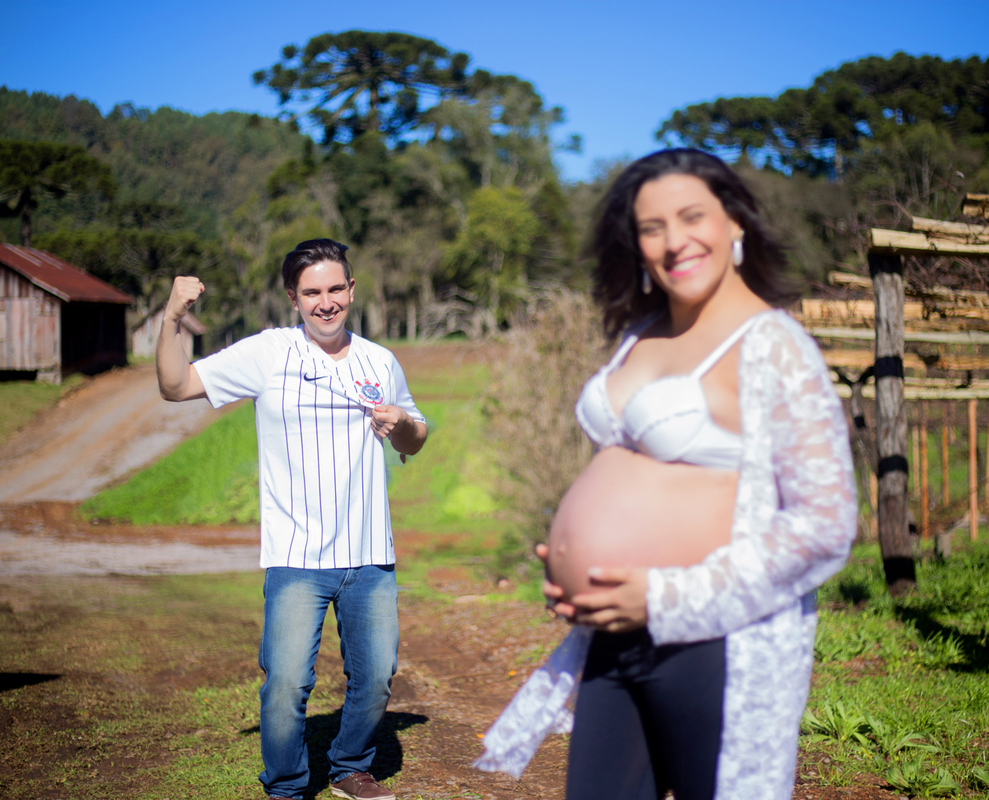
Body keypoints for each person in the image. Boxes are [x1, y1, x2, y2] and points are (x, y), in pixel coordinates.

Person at [475, 149, 857, 800]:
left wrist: (663, 595)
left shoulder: (773, 344)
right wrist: (574, 560)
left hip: (712, 643)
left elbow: (825, 524)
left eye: (691, 217)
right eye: (651, 227)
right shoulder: (638, 335)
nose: (673, 241)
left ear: (734, 221)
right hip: (612, 640)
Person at [157, 238, 427, 800]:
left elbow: (415, 437)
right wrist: (172, 317)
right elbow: (175, 385)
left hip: (370, 553)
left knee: (375, 681)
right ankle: (285, 787)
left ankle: (350, 765)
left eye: (335, 289)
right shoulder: (268, 353)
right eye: (312, 293)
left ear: (351, 290)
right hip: (296, 558)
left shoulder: (380, 360)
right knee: (285, 685)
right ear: (292, 298)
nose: (325, 302)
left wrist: (400, 421)